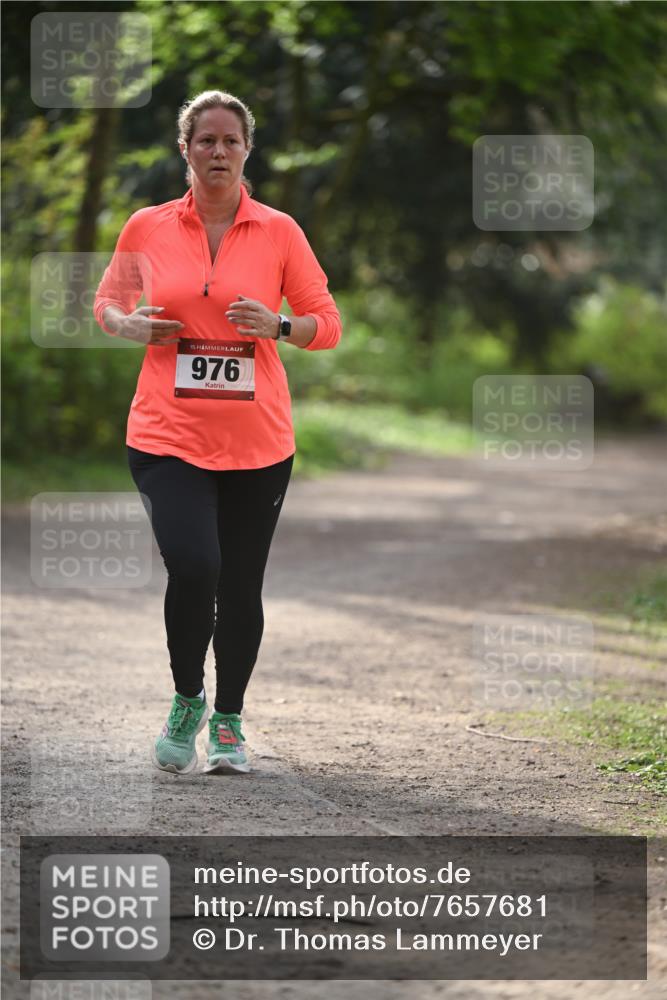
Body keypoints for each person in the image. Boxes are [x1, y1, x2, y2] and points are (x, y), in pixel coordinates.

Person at [93, 90, 342, 776]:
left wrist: (281, 326)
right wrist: (128, 325)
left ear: (247, 151)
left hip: (257, 443)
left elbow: (328, 323)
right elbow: (107, 305)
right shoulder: (146, 226)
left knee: (239, 586)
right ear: (185, 149)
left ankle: (228, 720)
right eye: (205, 140)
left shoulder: (280, 232)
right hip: (165, 433)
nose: (218, 152)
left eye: (231, 141)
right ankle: (186, 698)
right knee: (194, 565)